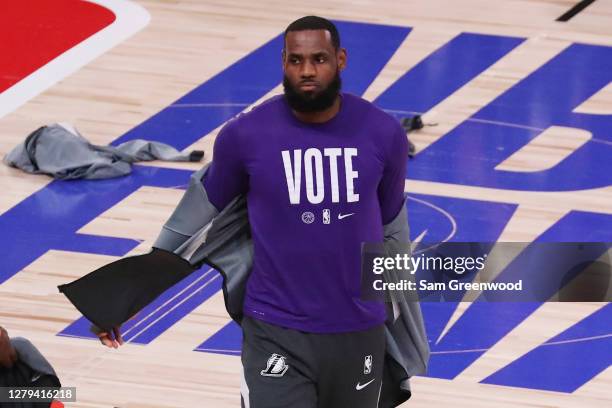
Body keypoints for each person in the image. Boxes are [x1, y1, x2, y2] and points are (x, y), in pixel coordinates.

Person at [97, 15, 415, 407]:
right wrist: (127, 295)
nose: (307, 71)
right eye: (296, 61)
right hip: (275, 329)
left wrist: (401, 324)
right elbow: (192, 222)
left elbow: (392, 231)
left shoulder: (382, 134)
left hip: (358, 330)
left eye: (319, 59)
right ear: (283, 63)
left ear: (341, 60)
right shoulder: (244, 136)